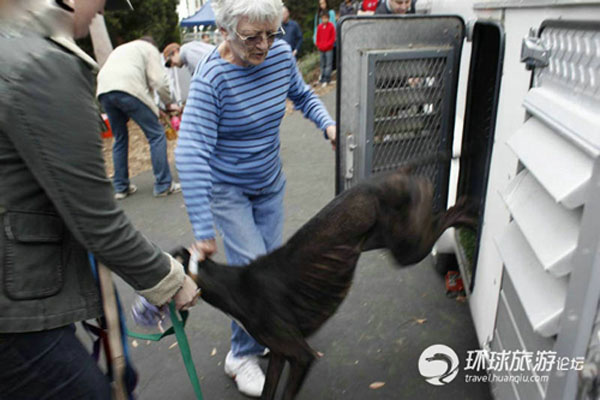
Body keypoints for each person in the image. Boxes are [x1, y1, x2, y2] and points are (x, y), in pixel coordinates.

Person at [0, 1, 199, 399]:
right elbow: (94, 216)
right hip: (15, 307)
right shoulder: (42, 63)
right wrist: (169, 279)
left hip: (109, 93)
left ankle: (123, 182)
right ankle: (162, 182)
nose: (103, 7)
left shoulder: (15, 49)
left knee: (120, 140)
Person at [175, 0, 336, 396]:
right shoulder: (212, 78)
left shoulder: (279, 56)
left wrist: (328, 125)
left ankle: (263, 333)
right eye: (251, 37)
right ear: (225, 32)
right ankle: (240, 356)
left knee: (270, 270)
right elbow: (191, 152)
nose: (263, 45)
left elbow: (302, 95)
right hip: (228, 190)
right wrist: (202, 229)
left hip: (269, 183)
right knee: (253, 274)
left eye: (270, 34)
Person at [97, 36, 182, 199]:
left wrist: (155, 109)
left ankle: (121, 187)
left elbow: (144, 90)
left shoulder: (124, 49)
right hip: (128, 88)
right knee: (156, 135)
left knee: (120, 138)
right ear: (153, 46)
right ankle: (163, 185)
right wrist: (168, 103)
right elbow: (159, 82)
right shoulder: (149, 49)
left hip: (104, 90)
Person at [316, 10, 335, 87]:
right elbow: (318, 37)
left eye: (325, 18)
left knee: (328, 64)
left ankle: (327, 79)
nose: (324, 20)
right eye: (323, 18)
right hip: (321, 49)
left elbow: (332, 38)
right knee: (322, 64)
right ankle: (322, 78)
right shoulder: (319, 27)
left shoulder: (331, 26)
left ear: (328, 18)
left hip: (329, 49)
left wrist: (327, 45)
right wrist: (319, 45)